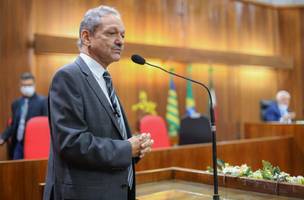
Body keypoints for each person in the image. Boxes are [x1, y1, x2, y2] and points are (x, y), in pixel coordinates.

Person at [43, 5, 154, 200]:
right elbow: (72, 143)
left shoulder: (104, 78)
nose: (120, 41)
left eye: (123, 35)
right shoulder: (68, 77)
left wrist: (135, 147)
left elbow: (108, 134)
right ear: (87, 37)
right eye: (111, 33)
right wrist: (127, 148)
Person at [0, 72, 47, 159]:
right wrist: (2, 137)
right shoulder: (16, 103)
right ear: (20, 85)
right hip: (18, 144)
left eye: (29, 85)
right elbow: (13, 125)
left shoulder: (43, 101)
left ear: (34, 85)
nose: (26, 87)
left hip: (34, 145)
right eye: (24, 85)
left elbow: (45, 127)